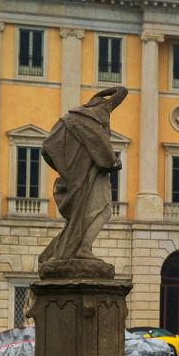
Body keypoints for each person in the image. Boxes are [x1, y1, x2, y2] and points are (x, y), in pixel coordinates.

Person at [38, 86, 127, 274]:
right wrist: (113, 162)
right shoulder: (94, 123)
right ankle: (83, 248)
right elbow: (108, 159)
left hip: (73, 179)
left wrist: (65, 167)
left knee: (79, 217)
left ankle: (66, 250)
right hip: (90, 179)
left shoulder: (69, 120)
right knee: (102, 211)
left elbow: (47, 148)